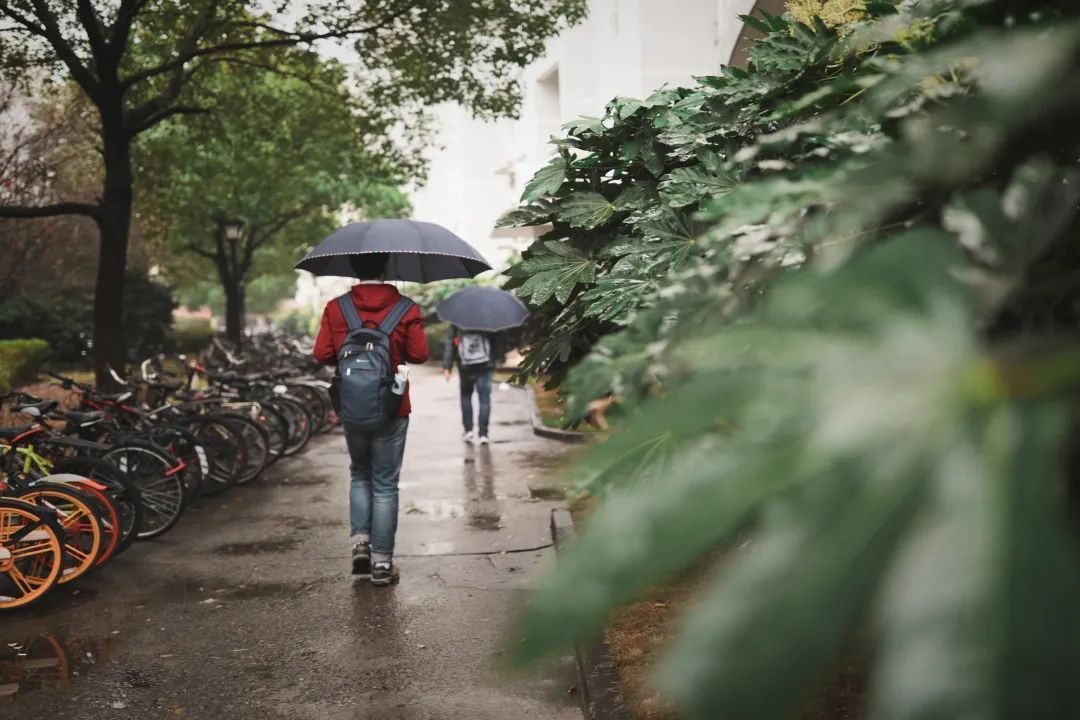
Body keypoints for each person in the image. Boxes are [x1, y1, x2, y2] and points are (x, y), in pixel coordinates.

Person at [313, 253, 429, 586]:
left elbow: (322, 354)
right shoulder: (406, 307)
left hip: (352, 407)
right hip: (392, 407)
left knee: (360, 473)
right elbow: (420, 354)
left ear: (354, 270)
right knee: (385, 483)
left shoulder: (337, 308)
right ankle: (381, 564)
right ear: (385, 270)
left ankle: (360, 545)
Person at [442, 326, 499, 444]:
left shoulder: (457, 321)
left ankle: (468, 431)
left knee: (466, 397)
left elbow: (451, 342)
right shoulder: (487, 319)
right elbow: (496, 339)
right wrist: (495, 360)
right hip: (485, 365)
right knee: (484, 400)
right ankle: (483, 434)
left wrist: (448, 365)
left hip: (465, 366)